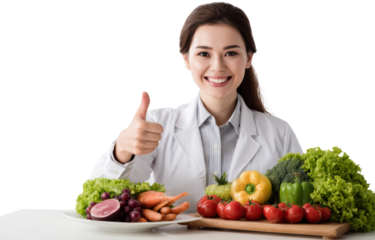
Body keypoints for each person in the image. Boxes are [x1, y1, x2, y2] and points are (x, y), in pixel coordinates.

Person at [88, 0, 304, 214]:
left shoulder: (280, 132)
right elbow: (98, 200)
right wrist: (121, 151)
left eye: (231, 53)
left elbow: (305, 207)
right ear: (186, 60)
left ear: (248, 58)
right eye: (204, 54)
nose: (218, 66)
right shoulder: (156, 124)